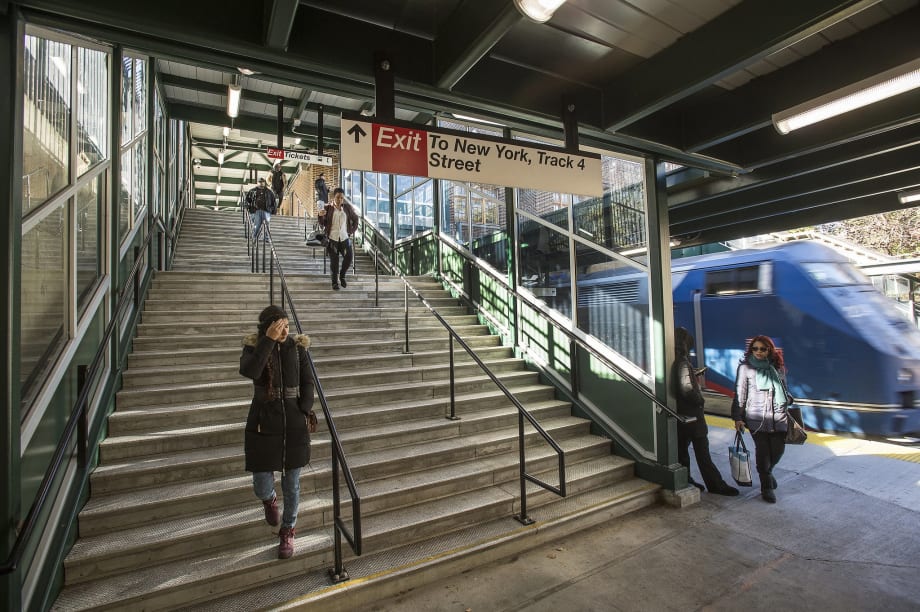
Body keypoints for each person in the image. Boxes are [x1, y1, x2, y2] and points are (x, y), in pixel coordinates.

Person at [240, 305, 317, 558]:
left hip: (294, 423)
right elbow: (251, 371)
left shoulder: (297, 348)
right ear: (267, 328)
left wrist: (304, 408)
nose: (285, 331)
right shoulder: (254, 347)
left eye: (286, 326)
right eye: (279, 327)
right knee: (261, 484)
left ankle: (288, 530)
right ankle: (269, 499)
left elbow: (308, 380)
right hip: (263, 421)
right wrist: (268, 342)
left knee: (292, 484)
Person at [672, 328, 739, 496]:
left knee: (682, 452)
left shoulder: (676, 360)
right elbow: (687, 389)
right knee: (703, 453)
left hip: (683, 414)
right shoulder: (683, 362)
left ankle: (686, 479)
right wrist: (700, 400)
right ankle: (716, 485)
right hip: (693, 415)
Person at [732, 335, 790, 504]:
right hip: (756, 418)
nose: (758, 351)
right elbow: (740, 394)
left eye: (762, 349)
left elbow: (785, 389)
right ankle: (766, 488)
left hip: (778, 417)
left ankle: (768, 473)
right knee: (763, 453)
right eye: (755, 348)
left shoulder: (777, 367)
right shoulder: (745, 368)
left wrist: (788, 400)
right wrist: (737, 417)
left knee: (778, 451)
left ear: (769, 350)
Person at [318, 187, 359, 291]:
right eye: (338, 197)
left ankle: (342, 275)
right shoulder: (328, 208)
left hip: (344, 238)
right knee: (334, 262)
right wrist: (320, 216)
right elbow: (322, 223)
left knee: (349, 257)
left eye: (342, 198)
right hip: (332, 239)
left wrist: (351, 231)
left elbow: (356, 219)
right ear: (333, 197)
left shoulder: (347, 208)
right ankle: (334, 283)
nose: (340, 200)